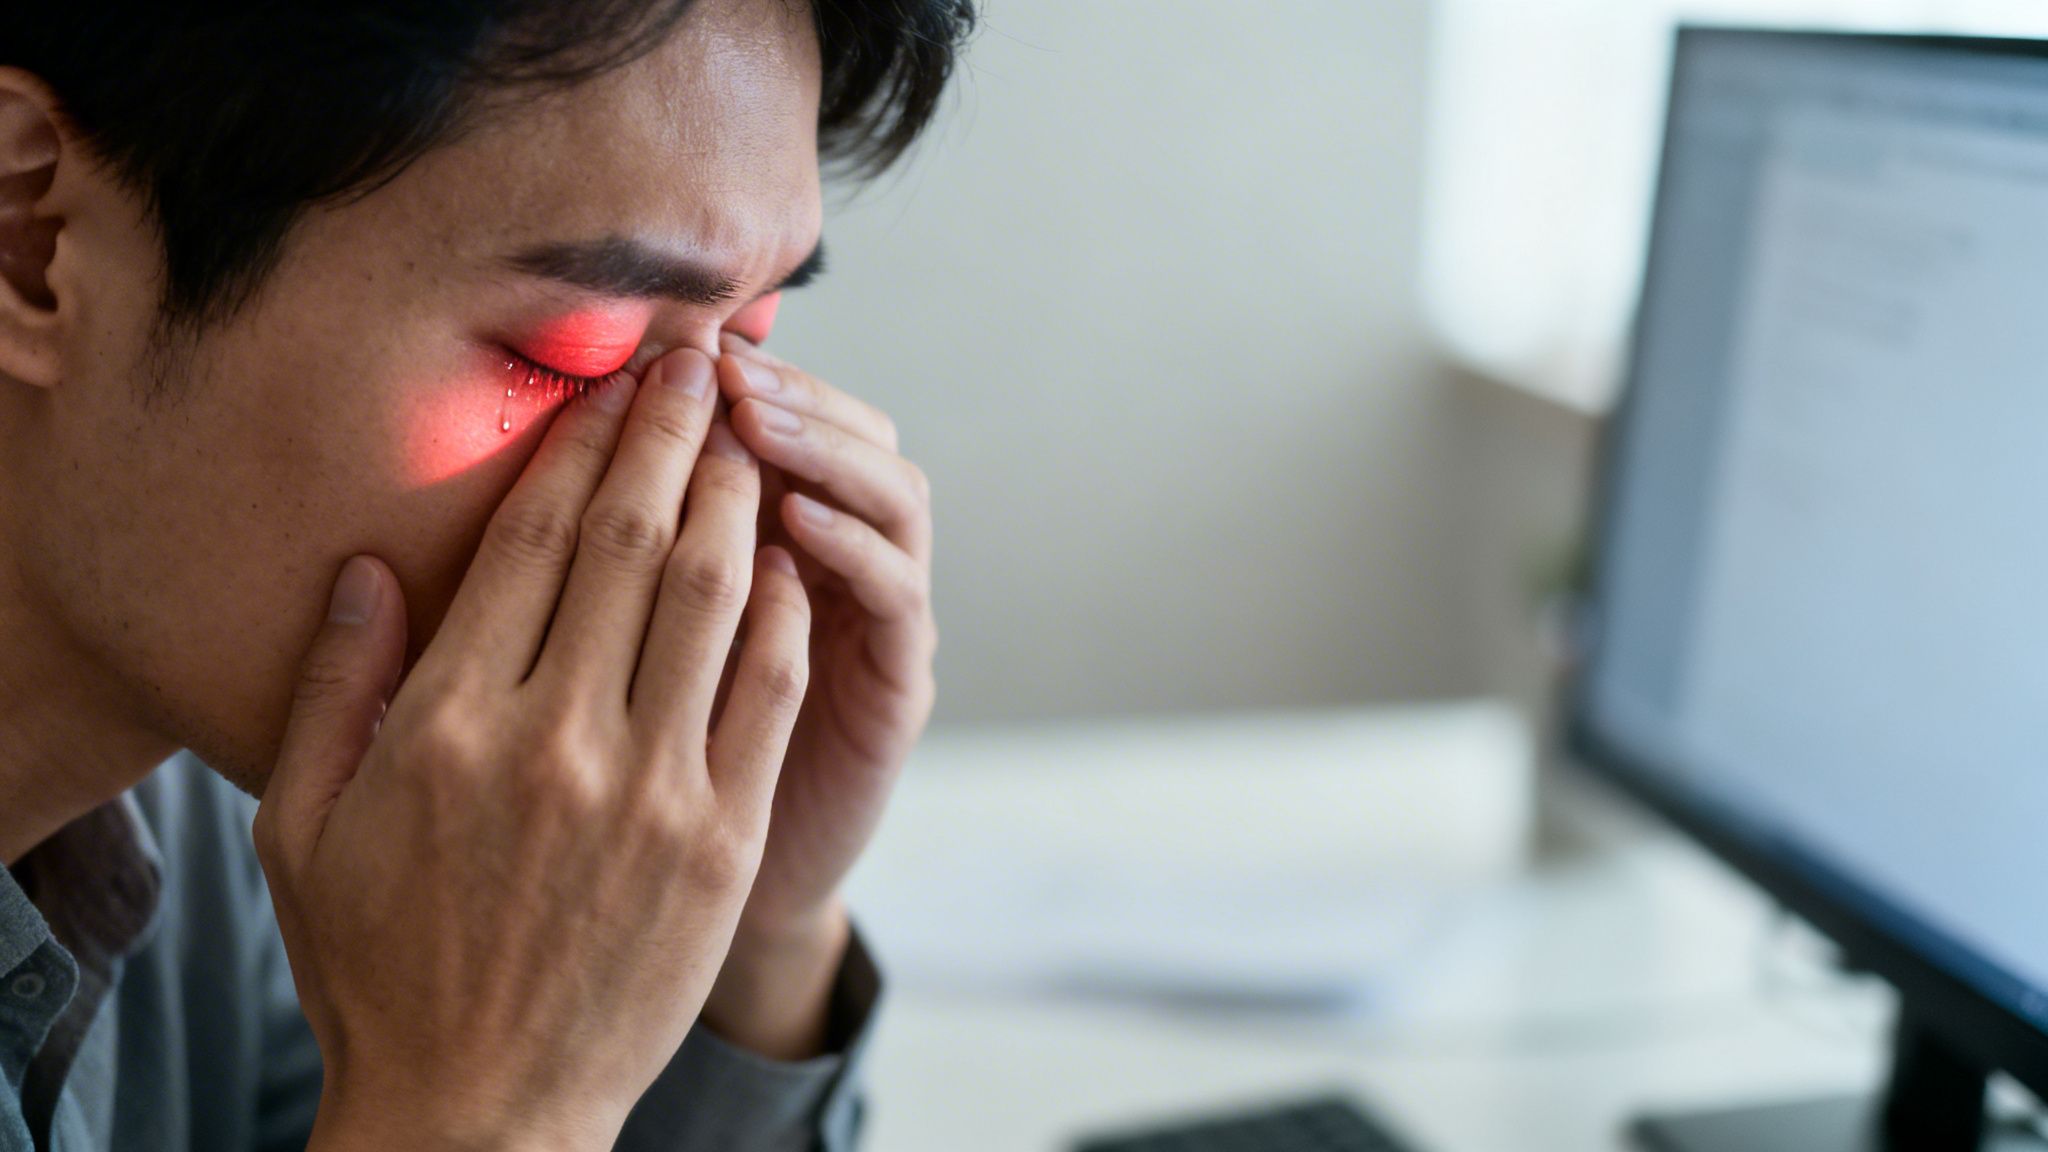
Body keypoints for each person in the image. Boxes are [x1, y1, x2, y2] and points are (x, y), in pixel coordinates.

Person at [0, 0, 970, 1148]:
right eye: (576, 354)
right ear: (35, 237)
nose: (692, 494)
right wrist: (483, 1117)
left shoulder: (215, 812)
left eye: (742, 351)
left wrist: (738, 933)